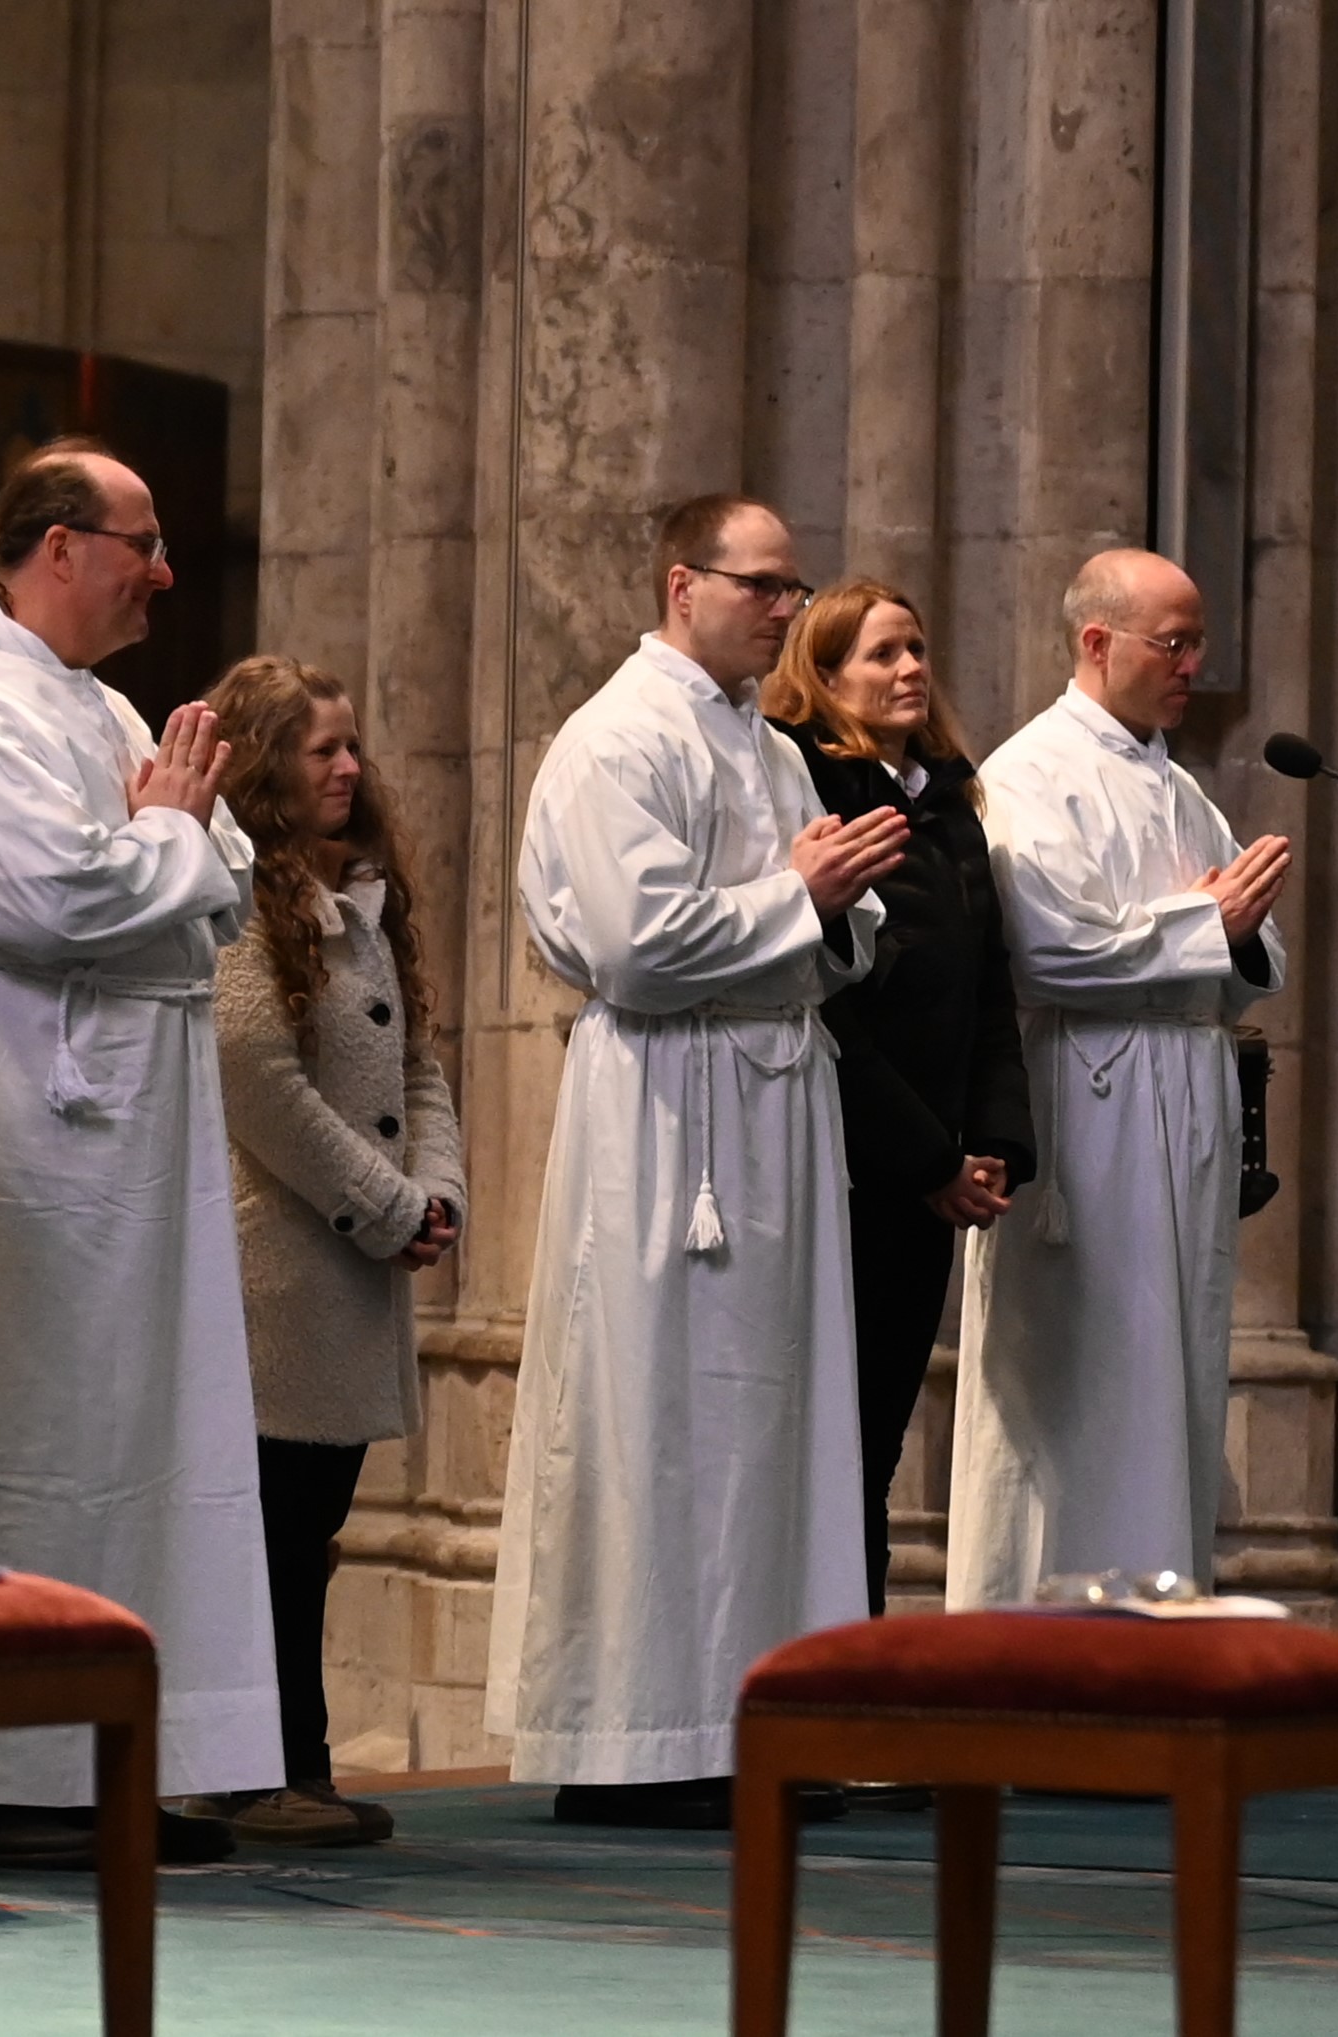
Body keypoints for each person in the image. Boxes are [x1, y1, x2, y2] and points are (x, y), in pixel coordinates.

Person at [0, 438, 278, 1867]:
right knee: (24, 1423)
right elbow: (57, 899)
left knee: (131, 1430)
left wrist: (168, 841)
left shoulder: (98, 703)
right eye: (143, 544)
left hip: (125, 1110)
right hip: (30, 1104)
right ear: (60, 546)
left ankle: (104, 1755)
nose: (165, 574)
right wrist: (168, 838)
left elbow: (225, 881)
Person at [487, 494, 908, 1831]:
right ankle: (636, 1739)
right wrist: (800, 897)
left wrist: (829, 908)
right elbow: (634, 946)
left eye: (794, 588)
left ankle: (741, 1723)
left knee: (766, 1422)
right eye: (762, 585)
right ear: (683, 585)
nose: (786, 609)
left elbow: (844, 929)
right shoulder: (618, 737)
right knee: (659, 1414)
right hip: (670, 1107)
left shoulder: (769, 747)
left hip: (774, 1095)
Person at [945, 548, 1290, 1608]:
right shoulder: (1028, 774)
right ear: (1096, 642)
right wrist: (1206, 920)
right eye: (1173, 643)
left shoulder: (1179, 787)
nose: (1193, 666)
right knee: (1082, 1381)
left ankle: (1158, 1626)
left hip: (1186, 1098)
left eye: (1198, 643)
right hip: (1090, 1103)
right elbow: (1049, 949)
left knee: (1171, 1373)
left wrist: (1229, 932)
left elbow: (1254, 955)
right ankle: (1035, 1636)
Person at [192, 654, 464, 1850]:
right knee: (270, 1536)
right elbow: (255, 1078)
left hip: (352, 1263)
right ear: (265, 767)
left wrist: (437, 1193)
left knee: (310, 1532)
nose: (350, 767)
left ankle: (295, 1763)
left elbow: (417, 1065)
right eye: (322, 749)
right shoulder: (241, 902)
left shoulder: (358, 894)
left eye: (353, 745)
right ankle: (256, 1770)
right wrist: (386, 1208)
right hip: (279, 1268)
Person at [761, 581, 1034, 1617]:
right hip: (847, 1164)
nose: (911, 668)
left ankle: (857, 1673)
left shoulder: (948, 803)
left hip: (932, 1173)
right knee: (827, 1444)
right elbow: (830, 1003)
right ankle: (818, 1673)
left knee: (874, 1445)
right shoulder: (814, 789)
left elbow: (987, 985)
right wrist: (927, 1160)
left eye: (916, 648)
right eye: (882, 654)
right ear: (823, 675)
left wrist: (993, 1141)